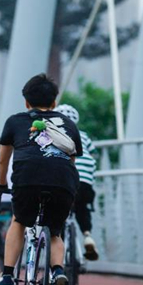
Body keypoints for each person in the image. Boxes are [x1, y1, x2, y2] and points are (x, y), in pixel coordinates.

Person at [0, 74, 82, 285]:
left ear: (26, 102)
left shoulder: (14, 121)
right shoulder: (69, 124)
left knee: (19, 221)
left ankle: (8, 276)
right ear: (54, 103)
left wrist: (1, 185)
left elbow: (3, 161)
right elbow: (71, 161)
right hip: (62, 181)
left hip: (27, 180)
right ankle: (58, 273)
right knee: (55, 232)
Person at [54, 104, 99, 261]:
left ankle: (58, 254)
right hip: (86, 182)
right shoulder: (84, 136)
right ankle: (87, 235)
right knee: (81, 207)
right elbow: (92, 155)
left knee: (58, 213)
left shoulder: (54, 134)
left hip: (66, 181)